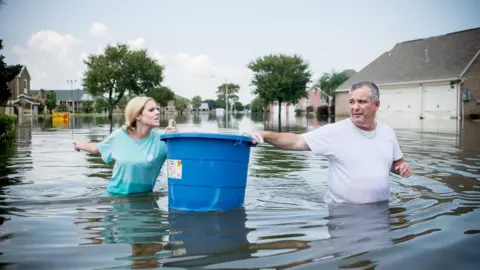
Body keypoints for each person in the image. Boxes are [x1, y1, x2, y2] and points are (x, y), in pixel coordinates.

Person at [248, 81, 413, 204]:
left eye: (361, 102)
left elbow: (396, 163)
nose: (355, 107)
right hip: (343, 214)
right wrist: (265, 134)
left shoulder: (387, 132)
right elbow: (296, 141)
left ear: (376, 105)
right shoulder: (335, 132)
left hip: (380, 211)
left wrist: (402, 168)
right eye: (352, 102)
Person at [73, 96, 177, 195]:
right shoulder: (120, 136)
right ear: (138, 115)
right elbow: (96, 148)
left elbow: (185, 158)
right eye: (151, 110)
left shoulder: (163, 140)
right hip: (116, 198)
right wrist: (79, 145)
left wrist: (177, 138)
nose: (157, 112)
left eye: (157, 109)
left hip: (144, 202)